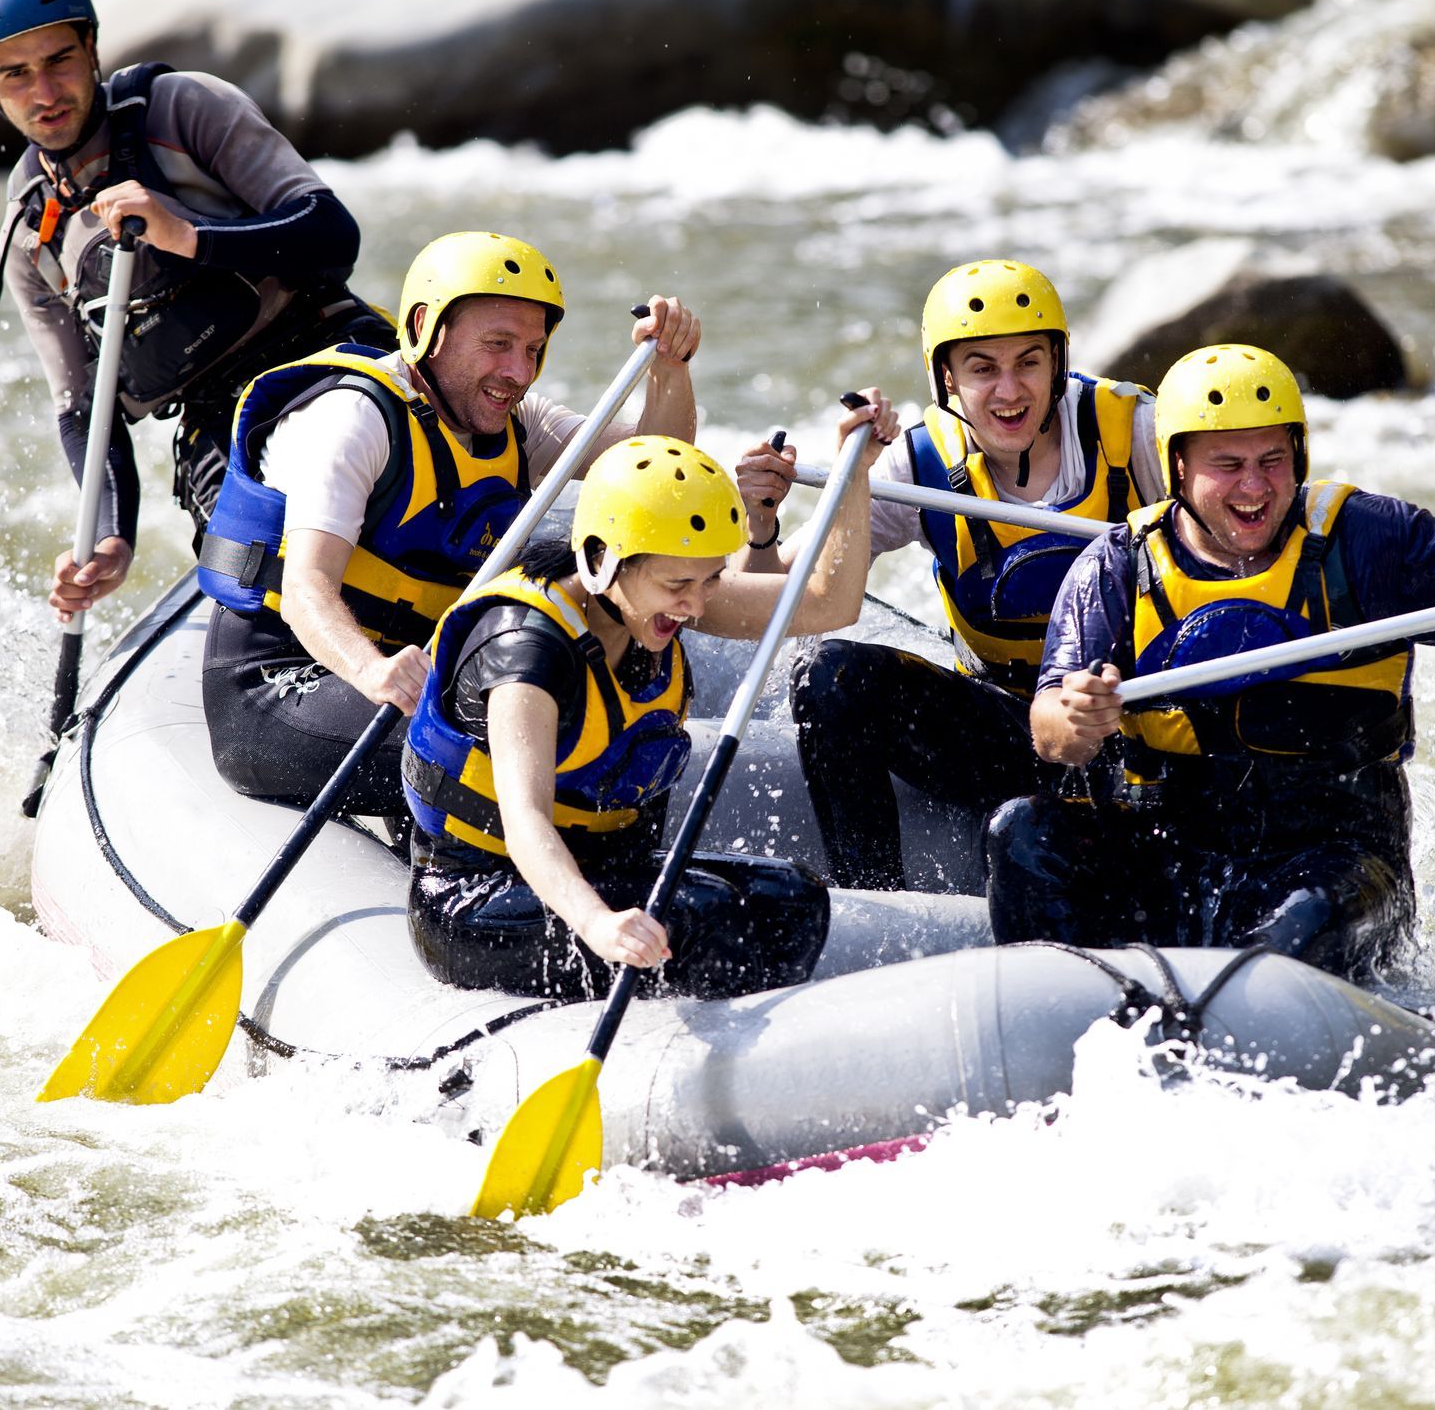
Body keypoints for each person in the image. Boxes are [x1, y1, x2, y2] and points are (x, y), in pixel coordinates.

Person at [987, 344, 1435, 981]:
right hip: (1171, 852)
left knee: (1302, 924)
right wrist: (1079, 715)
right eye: (1228, 464)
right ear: (1178, 466)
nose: (1254, 487)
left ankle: (1262, 1003)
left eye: (1273, 460)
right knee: (1023, 831)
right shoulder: (1116, 567)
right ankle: (1063, 1004)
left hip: (1336, 859)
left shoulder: (1362, 539)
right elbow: (1051, 733)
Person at [197, 230, 703, 819]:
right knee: (524, 743)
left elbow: (653, 470)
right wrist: (374, 671)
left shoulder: (517, 421)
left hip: (412, 674)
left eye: (533, 349)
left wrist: (671, 368)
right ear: (423, 330)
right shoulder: (353, 420)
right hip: (282, 684)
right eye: (498, 344)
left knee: (588, 717)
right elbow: (307, 590)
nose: (518, 372)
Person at [402, 402, 897, 1000]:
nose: (696, 605)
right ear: (599, 560)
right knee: (701, 917)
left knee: (791, 899)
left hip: (602, 870)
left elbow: (828, 604)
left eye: (710, 580)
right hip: (480, 896)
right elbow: (526, 820)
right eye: (678, 585)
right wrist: (597, 924)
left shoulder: (652, 595)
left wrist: (857, 470)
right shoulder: (524, 653)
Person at [0, 0, 397, 616]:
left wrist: (185, 237)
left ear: (92, 48)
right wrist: (111, 536)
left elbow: (330, 233)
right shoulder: (31, 234)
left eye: (60, 61)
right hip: (219, 422)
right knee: (250, 592)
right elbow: (83, 409)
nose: (46, 91)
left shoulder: (184, 108)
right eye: (17, 74)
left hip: (324, 348)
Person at [734, 259, 1164, 890]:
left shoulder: (1138, 432)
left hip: (1134, 730)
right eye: (982, 368)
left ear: (1059, 362)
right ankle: (873, 896)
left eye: (1028, 362)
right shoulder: (920, 462)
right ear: (948, 380)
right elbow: (779, 603)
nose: (1010, 391)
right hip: (1008, 730)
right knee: (830, 676)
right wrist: (761, 522)